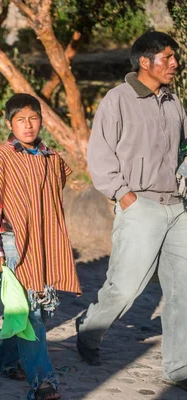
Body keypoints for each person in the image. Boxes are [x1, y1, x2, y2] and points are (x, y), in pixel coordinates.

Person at [76, 31, 187, 388]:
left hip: (178, 209)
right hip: (140, 206)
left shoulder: (173, 101)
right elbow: (100, 156)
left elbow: (184, 149)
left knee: (183, 290)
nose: (174, 63)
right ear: (145, 61)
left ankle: (179, 367)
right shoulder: (117, 100)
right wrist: (125, 196)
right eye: (167, 57)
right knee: (124, 288)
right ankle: (89, 331)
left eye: (174, 57)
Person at [0, 93, 81, 400]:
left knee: (35, 312)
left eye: (33, 118)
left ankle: (5, 358)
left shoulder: (50, 159)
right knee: (30, 312)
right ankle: (44, 381)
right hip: (12, 244)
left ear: (41, 120)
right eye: (20, 119)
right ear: (9, 124)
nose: (28, 125)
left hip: (43, 242)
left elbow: (49, 200)